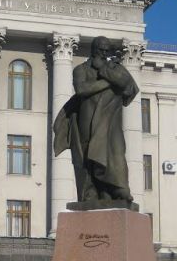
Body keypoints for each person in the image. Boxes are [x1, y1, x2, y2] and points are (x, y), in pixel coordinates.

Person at [53, 36, 139, 205]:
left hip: (110, 122)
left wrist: (106, 72)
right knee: (87, 159)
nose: (104, 53)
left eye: (107, 50)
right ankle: (90, 196)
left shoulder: (115, 68)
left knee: (116, 153)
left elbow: (130, 87)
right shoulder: (81, 69)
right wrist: (109, 82)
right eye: (101, 49)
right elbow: (82, 90)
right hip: (87, 120)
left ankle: (116, 190)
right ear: (93, 50)